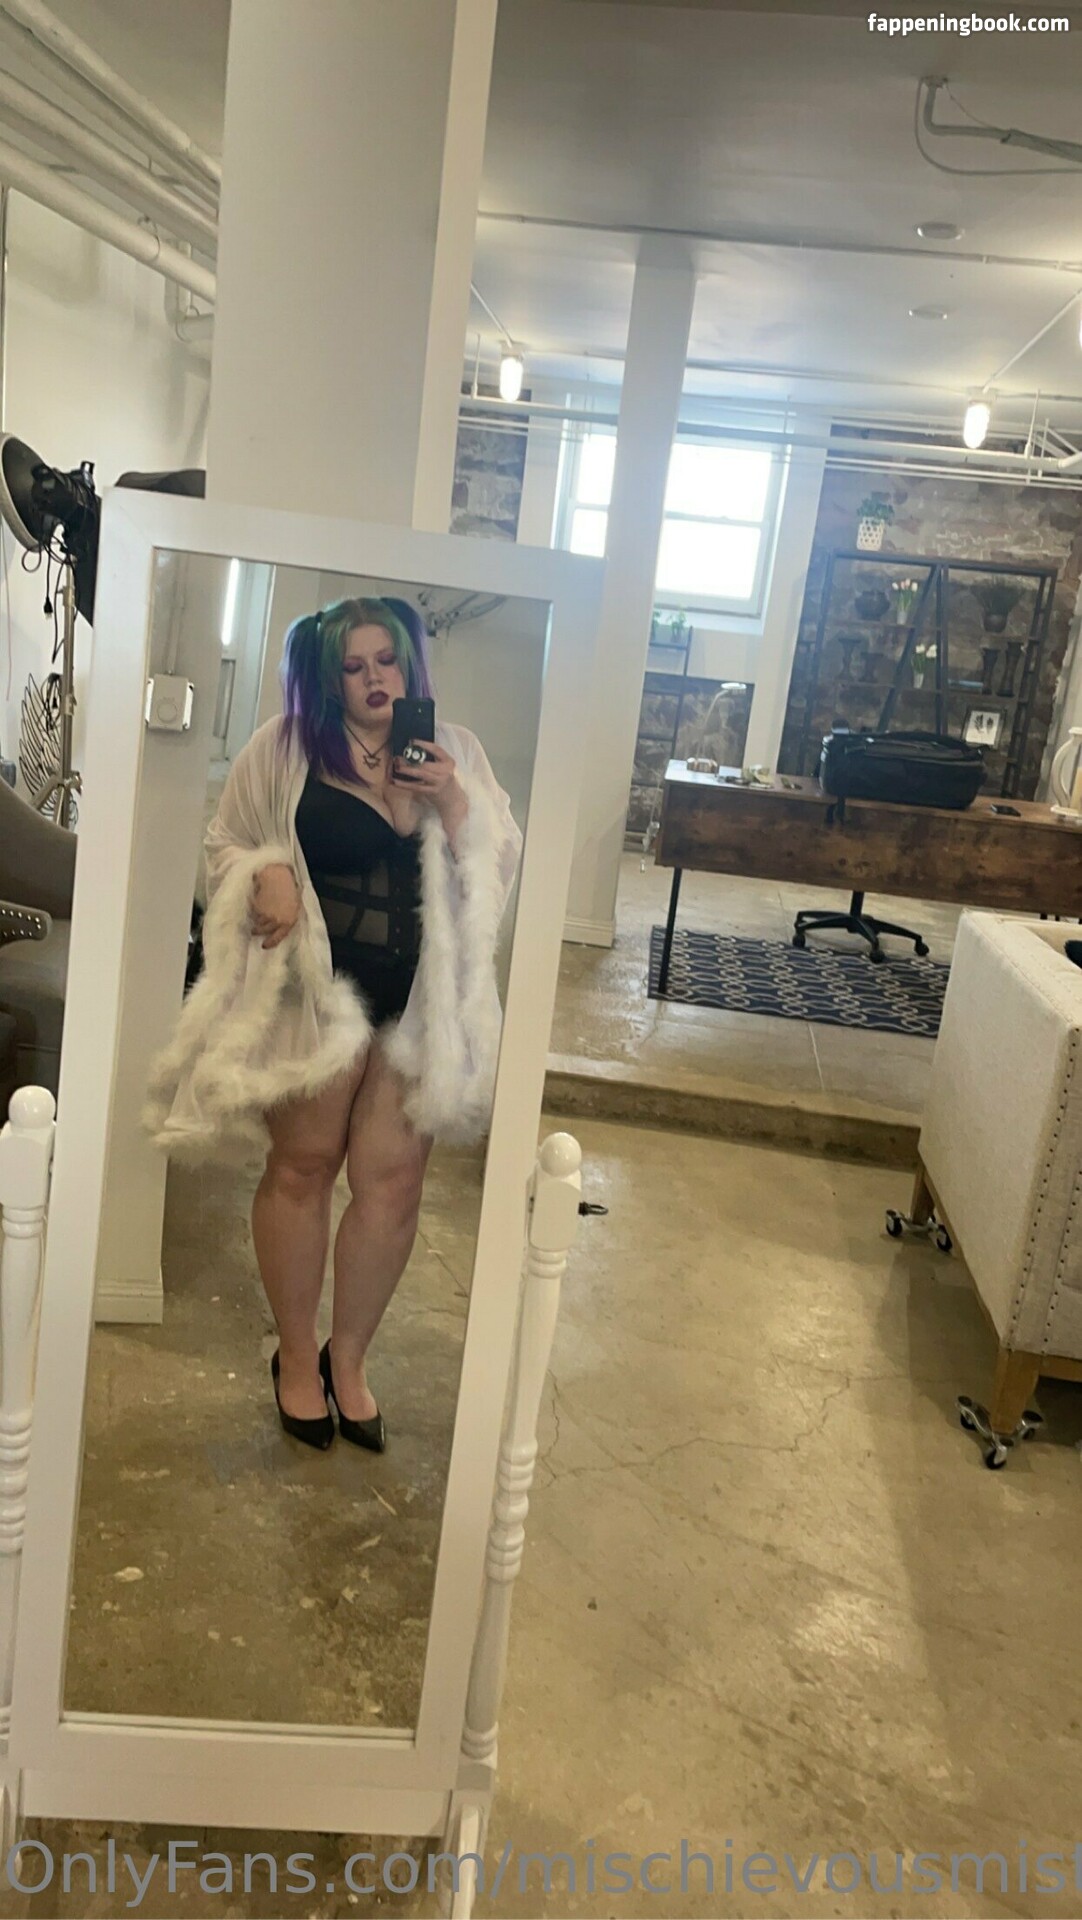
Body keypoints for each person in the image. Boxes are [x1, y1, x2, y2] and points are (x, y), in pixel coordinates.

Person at [145, 596, 522, 1453]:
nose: (374, 679)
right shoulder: (283, 748)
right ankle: (293, 1357)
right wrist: (264, 870)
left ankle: (346, 1359)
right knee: (303, 1166)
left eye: (386, 660)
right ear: (327, 679)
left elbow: (499, 863)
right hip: (314, 997)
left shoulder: (456, 750)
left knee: (393, 1182)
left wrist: (453, 797)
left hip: (417, 1005)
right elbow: (225, 841)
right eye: (353, 667)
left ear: (408, 664)